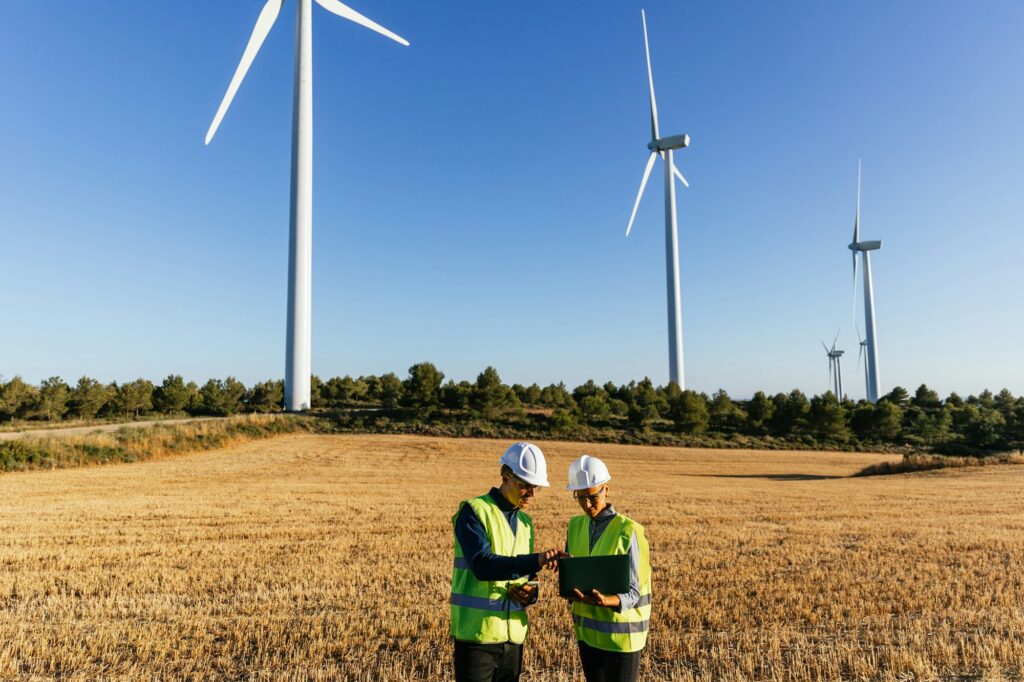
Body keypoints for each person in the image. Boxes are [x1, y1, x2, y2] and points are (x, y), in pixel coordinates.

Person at [450, 442, 567, 682]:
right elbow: (482, 565)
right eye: (525, 485)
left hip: (513, 639)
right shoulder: (474, 511)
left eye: (535, 487)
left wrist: (530, 593)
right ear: (505, 476)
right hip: (477, 637)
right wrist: (538, 559)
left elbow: (525, 574)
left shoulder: (525, 523)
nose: (532, 494)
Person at [565, 455, 652, 682]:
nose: (587, 504)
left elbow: (635, 592)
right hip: (587, 636)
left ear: (606, 489)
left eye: (593, 496)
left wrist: (607, 601)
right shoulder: (574, 526)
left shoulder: (629, 530)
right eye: (580, 497)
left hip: (622, 640)